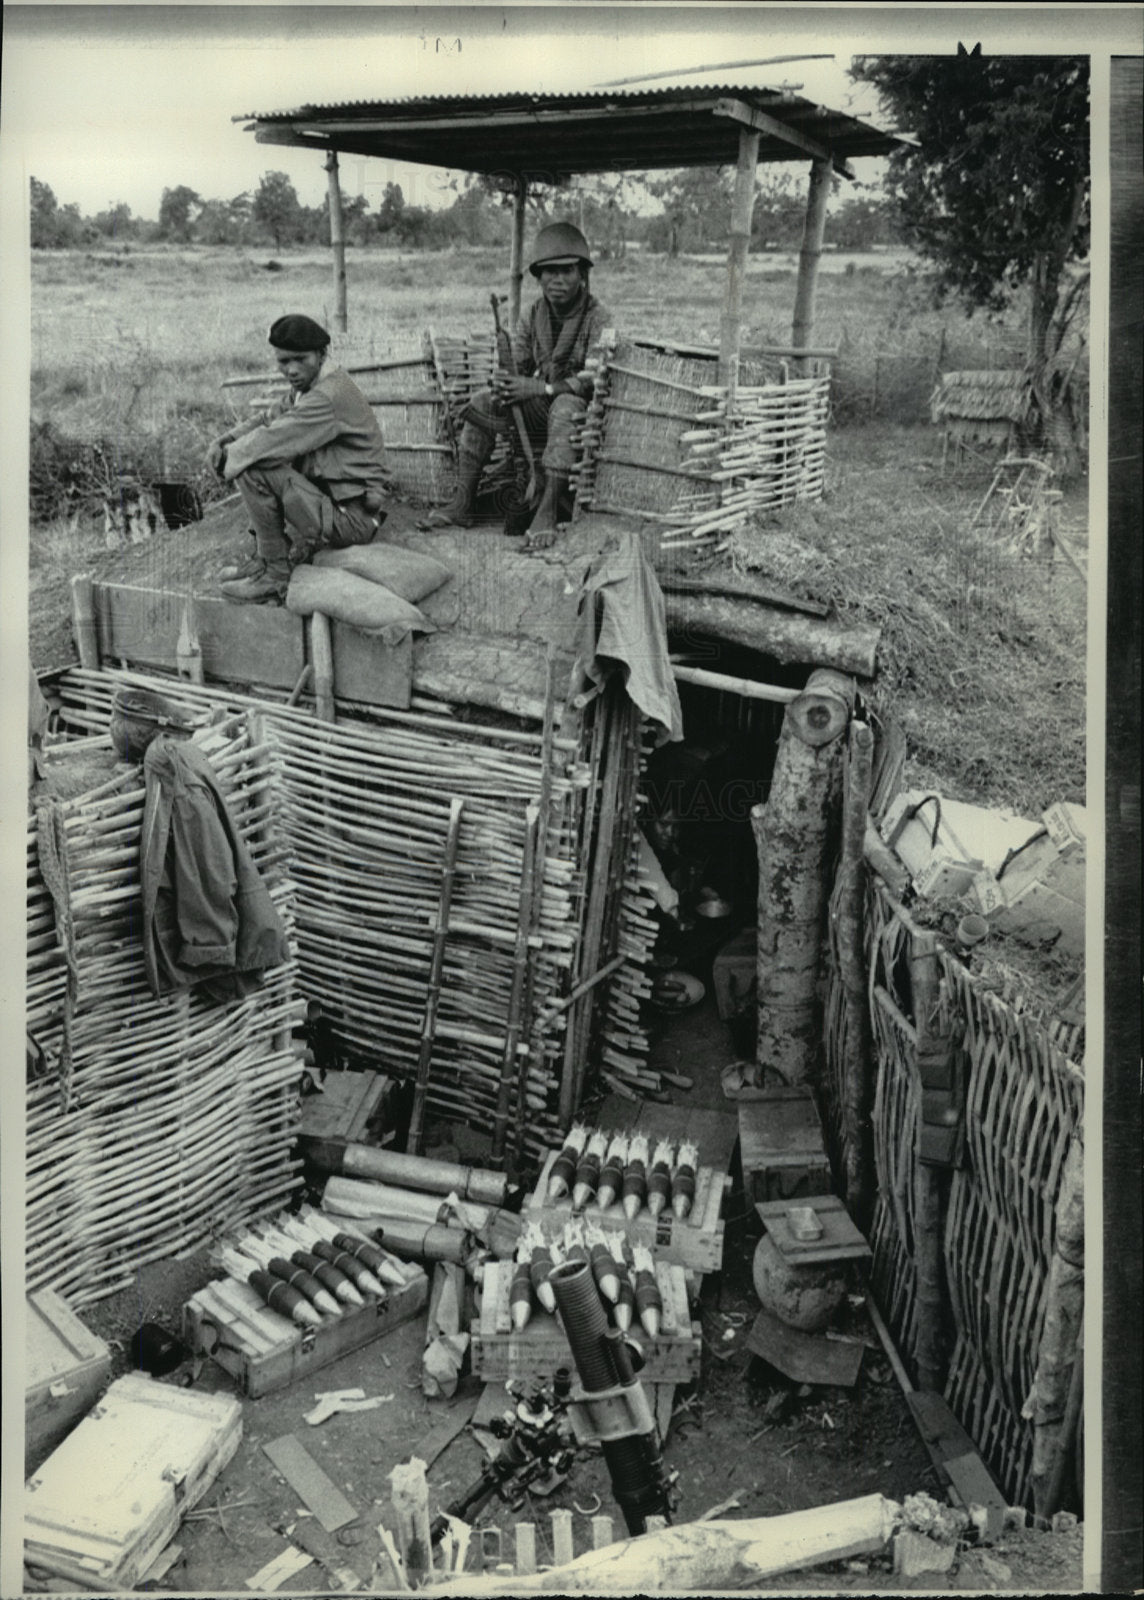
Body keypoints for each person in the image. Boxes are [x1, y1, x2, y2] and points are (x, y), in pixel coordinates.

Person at [428, 222, 611, 550]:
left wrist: (545, 390)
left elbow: (595, 380)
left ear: (582, 274)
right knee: (484, 401)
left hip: (577, 415)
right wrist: (505, 382)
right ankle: (462, 502)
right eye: (549, 272)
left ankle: (548, 510)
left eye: (566, 271)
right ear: (538, 277)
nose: (557, 280)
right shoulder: (533, 314)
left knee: (567, 408)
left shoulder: (598, 318)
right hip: (538, 406)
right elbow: (522, 364)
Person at [207, 315, 390, 604]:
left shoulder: (329, 396)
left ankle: (276, 575)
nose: (291, 370)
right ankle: (265, 561)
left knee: (254, 466)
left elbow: (273, 439)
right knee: (251, 457)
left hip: (351, 520)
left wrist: (228, 459)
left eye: (300, 359)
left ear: (321, 355)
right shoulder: (309, 387)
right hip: (332, 507)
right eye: (283, 361)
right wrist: (226, 440)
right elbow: (268, 417)